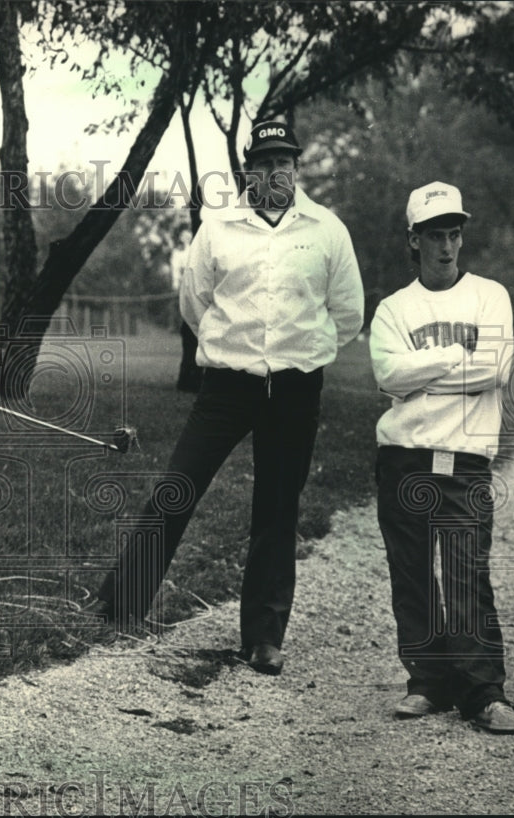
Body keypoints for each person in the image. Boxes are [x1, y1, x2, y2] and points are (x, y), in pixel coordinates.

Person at [89, 120, 364, 675]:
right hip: (227, 386)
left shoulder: (327, 230)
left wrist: (301, 354)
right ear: (248, 170)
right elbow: (196, 304)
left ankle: (264, 637)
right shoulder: (218, 229)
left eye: (284, 161)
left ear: (296, 166)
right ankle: (120, 607)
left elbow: (349, 313)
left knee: (277, 510)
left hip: (294, 388)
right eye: (263, 163)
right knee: (178, 486)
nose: (275, 172)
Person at [370, 181, 514, 734]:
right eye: (434, 235)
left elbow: (495, 370)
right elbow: (388, 375)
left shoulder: (490, 296)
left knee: (466, 572)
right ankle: (428, 684)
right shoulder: (393, 308)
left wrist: (424, 375)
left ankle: (485, 692)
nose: (446, 246)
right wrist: (453, 357)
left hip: (464, 459)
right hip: (403, 457)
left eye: (454, 234)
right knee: (411, 575)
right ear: (414, 240)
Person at [170, 223, 202, 392]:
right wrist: (176, 287)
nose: (186, 236)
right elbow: (175, 272)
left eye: (188, 233)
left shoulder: (196, 249)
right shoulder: (177, 253)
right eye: (183, 234)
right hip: (185, 291)